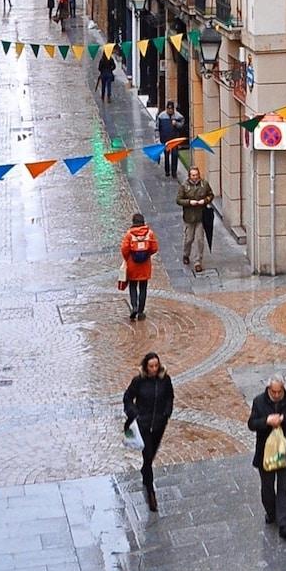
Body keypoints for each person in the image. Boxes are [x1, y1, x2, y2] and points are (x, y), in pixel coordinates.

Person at [248, 377, 286, 540]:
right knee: (267, 488)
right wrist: (267, 421)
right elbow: (252, 423)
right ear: (269, 389)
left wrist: (283, 418)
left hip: (285, 451)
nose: (278, 394)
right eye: (274, 391)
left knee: (284, 488)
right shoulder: (259, 402)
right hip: (266, 453)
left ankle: (284, 524)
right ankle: (271, 513)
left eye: (280, 391)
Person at [122, 351, 174, 512]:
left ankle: (145, 471)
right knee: (148, 455)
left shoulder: (164, 380)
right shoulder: (138, 382)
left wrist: (166, 413)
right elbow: (128, 398)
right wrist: (134, 413)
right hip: (143, 425)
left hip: (159, 425)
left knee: (150, 456)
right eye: (151, 366)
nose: (153, 369)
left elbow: (170, 397)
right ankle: (151, 492)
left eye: (156, 365)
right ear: (146, 366)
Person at [120, 213, 158, 322]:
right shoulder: (149, 234)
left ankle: (134, 307)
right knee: (143, 288)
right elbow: (154, 248)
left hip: (133, 266)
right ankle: (141, 312)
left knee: (132, 286)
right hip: (145, 266)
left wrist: (128, 259)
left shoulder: (129, 235)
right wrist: (147, 255)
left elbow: (124, 249)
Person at [176, 163, 214, 272]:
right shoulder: (184, 186)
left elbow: (211, 195)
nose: (195, 177)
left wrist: (205, 200)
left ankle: (198, 261)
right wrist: (189, 202)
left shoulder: (204, 184)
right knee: (189, 239)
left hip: (200, 217)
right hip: (189, 217)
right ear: (189, 176)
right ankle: (186, 254)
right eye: (193, 175)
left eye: (196, 174)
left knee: (200, 240)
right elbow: (178, 200)